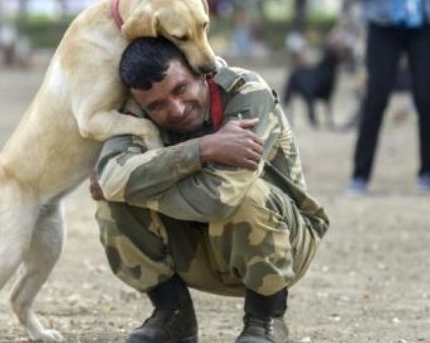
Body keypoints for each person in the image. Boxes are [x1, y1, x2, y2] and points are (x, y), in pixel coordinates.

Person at [90, 38, 329, 343]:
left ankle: (265, 321)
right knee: (113, 207)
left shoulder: (246, 93)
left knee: (245, 198)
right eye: (157, 106)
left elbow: (218, 198)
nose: (175, 109)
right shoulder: (136, 109)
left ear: (200, 70)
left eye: (180, 89)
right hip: (198, 251)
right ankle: (173, 316)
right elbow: (110, 176)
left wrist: (132, 183)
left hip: (283, 247)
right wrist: (202, 149)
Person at [346, 0, 430, 194]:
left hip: (424, 24)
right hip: (383, 26)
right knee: (376, 98)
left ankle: (427, 172)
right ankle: (360, 175)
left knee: (426, 96)